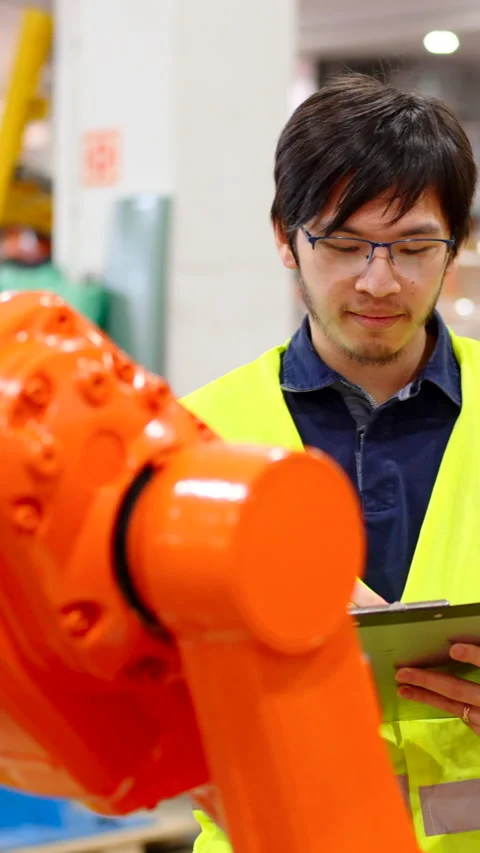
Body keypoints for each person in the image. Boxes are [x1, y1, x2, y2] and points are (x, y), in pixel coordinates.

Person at [182, 73, 480, 852]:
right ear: (285, 236)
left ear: (459, 242)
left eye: (416, 247)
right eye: (344, 245)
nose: (380, 282)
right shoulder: (196, 437)